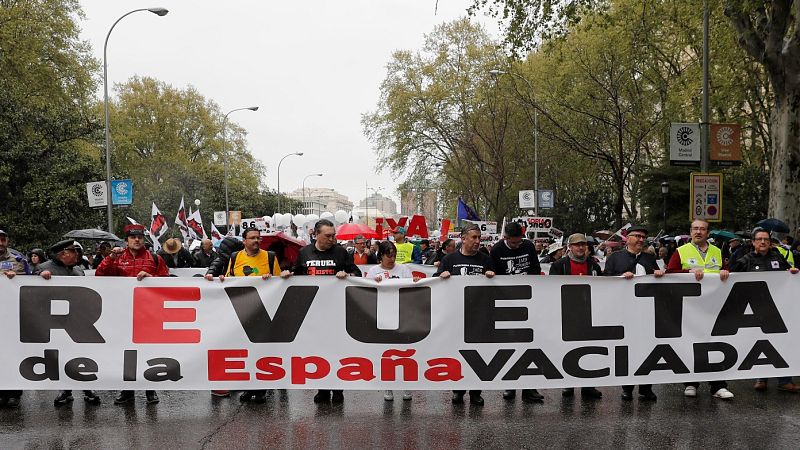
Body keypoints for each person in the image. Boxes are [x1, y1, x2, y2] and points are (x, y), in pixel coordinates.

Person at [281, 219, 361, 404]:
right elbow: (297, 274)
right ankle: (323, 389)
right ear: (316, 234)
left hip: (337, 312)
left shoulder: (341, 252)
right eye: (328, 236)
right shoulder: (304, 252)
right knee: (319, 351)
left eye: (334, 235)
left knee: (337, 351)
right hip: (313, 312)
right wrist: (288, 275)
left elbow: (357, 273)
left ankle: (338, 389)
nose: (332, 239)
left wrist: (347, 275)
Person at [96, 224, 169, 405]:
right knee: (126, 352)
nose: (136, 240)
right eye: (132, 237)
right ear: (126, 240)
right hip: (123, 314)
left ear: (144, 239)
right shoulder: (117, 257)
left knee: (148, 351)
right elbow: (100, 275)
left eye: (139, 237)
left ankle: (150, 390)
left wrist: (153, 280)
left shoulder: (155, 258)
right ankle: (127, 391)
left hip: (149, 314)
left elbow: (167, 281)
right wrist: (110, 258)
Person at [211, 227, 282, 403]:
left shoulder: (270, 256)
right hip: (241, 309)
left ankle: (260, 389)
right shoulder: (236, 257)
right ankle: (249, 387)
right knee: (245, 350)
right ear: (244, 241)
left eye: (258, 238)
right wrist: (221, 279)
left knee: (260, 350)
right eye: (252, 238)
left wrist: (271, 279)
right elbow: (229, 278)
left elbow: (280, 282)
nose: (256, 241)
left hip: (263, 309)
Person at [665, 219, 734, 400]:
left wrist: (726, 273)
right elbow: (670, 273)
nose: (698, 232)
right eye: (695, 228)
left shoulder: (718, 252)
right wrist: (688, 273)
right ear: (690, 231)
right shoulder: (681, 251)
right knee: (691, 343)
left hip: (713, 305)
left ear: (708, 233)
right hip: (690, 306)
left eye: (702, 229)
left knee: (716, 344)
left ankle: (718, 386)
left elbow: (727, 272)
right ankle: (690, 382)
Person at [730, 227, 800, 392]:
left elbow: (786, 274)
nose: (763, 242)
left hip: (778, 308)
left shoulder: (777, 256)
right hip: (755, 310)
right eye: (759, 239)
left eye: (766, 240)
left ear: (770, 242)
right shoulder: (745, 260)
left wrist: (792, 272)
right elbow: (731, 279)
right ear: (753, 242)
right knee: (760, 343)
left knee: (782, 342)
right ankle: (761, 378)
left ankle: (785, 380)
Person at [435, 223, 495, 406]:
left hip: (478, 316)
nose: (478, 241)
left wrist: (493, 276)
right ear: (463, 238)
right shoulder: (450, 259)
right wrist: (441, 275)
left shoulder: (485, 259)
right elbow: (437, 281)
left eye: (479, 238)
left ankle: (476, 392)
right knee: (458, 353)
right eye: (474, 237)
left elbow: (497, 286)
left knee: (478, 354)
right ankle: (458, 390)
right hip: (456, 315)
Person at [36, 240, 102, 406]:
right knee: (61, 356)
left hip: (79, 321)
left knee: (81, 355)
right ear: (63, 253)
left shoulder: (79, 270)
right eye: (74, 251)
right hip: (56, 323)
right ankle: (65, 390)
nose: (78, 254)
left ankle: (87, 388)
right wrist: (39, 277)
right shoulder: (43, 268)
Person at [602, 225, 663, 401]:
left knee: (648, 351)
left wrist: (659, 275)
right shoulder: (615, 258)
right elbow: (605, 280)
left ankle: (646, 388)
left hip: (647, 313)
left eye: (644, 237)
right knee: (627, 352)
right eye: (637, 236)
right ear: (627, 238)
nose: (641, 239)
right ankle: (627, 388)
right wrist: (621, 276)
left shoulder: (650, 258)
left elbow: (657, 280)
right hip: (625, 313)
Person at [492, 222, 544, 403]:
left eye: (519, 242)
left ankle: (530, 387)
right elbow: (493, 276)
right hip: (506, 304)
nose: (517, 245)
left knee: (530, 344)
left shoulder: (528, 246)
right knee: (510, 345)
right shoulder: (497, 250)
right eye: (513, 243)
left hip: (528, 300)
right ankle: (510, 385)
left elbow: (536, 269)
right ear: (505, 238)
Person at [550, 233, 604, 399]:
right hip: (567, 313)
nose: (581, 247)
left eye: (583, 244)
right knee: (567, 349)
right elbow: (550, 289)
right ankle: (568, 385)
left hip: (588, 314)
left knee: (590, 349)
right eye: (577, 245)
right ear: (570, 247)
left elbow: (602, 288)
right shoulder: (560, 265)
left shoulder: (594, 266)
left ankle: (588, 385)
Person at [366, 241, 420, 402]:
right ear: (380, 255)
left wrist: (415, 281)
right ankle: (388, 386)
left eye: (394, 255)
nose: (392, 258)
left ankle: (406, 385)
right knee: (387, 352)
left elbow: (411, 289)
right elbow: (366, 292)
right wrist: (372, 283)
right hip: (383, 317)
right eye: (388, 255)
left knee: (406, 351)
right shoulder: (373, 271)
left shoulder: (403, 269)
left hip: (403, 315)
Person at [0, 229, 30, 407]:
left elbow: (30, 281)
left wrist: (15, 278)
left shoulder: (18, 259)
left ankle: (15, 392)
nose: (0, 243)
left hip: (14, 314)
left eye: (3, 240)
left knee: (15, 353)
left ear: (7, 241)